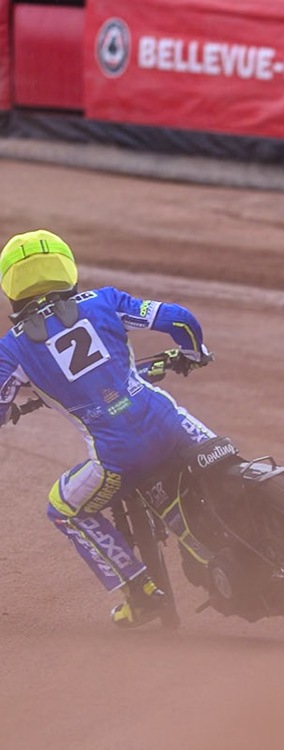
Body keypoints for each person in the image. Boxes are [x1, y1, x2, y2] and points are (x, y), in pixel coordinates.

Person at [0, 229, 216, 628]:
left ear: (11, 287)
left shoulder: (12, 348)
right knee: (222, 460)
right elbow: (179, 319)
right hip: (175, 426)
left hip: (120, 457)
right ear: (67, 268)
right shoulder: (106, 300)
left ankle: (139, 592)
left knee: (63, 508)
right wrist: (194, 354)